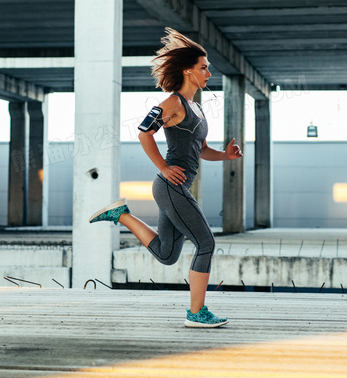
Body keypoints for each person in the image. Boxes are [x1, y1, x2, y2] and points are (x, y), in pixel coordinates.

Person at [89, 28, 242, 328]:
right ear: (188, 71)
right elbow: (144, 132)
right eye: (204, 67)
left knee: (167, 253)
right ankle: (196, 313)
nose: (209, 72)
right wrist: (162, 166)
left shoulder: (196, 107)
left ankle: (121, 215)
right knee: (206, 243)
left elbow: (201, 150)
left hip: (176, 187)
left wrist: (225, 156)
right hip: (170, 186)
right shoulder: (173, 103)